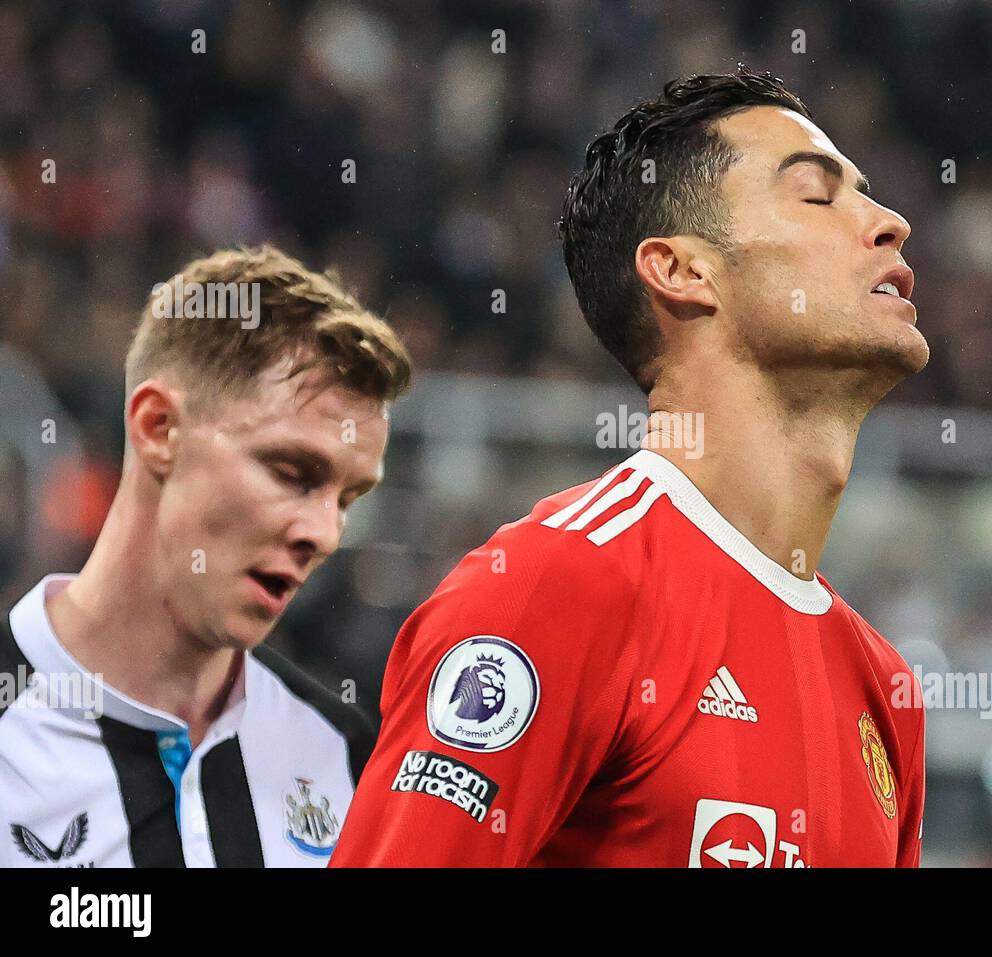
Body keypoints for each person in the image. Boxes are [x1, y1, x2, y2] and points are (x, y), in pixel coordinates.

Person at [333, 67, 927, 867]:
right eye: (818, 195)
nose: (891, 222)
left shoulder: (886, 691)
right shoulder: (554, 588)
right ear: (681, 271)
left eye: (870, 194)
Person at [0, 245, 411, 867]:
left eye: (348, 498)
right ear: (159, 428)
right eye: (294, 473)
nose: (325, 534)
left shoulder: (345, 754)